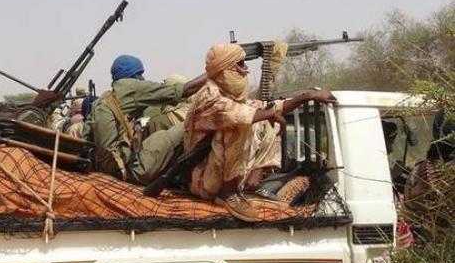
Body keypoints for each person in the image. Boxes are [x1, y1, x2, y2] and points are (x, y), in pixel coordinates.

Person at [183, 43, 337, 202]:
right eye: (240, 64)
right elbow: (236, 115)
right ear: (226, 68)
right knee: (240, 124)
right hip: (203, 181)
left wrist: (307, 96)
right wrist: (270, 114)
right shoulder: (208, 96)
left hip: (215, 175)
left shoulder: (229, 97)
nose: (246, 69)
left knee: (265, 119)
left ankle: (253, 184)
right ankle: (229, 193)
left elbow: (267, 108)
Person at [86, 55, 206, 185]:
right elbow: (184, 90)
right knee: (187, 125)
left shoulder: (102, 101)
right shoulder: (130, 87)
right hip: (129, 170)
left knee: (159, 137)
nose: (142, 79)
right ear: (133, 75)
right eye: (140, 74)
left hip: (108, 166)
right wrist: (215, 70)